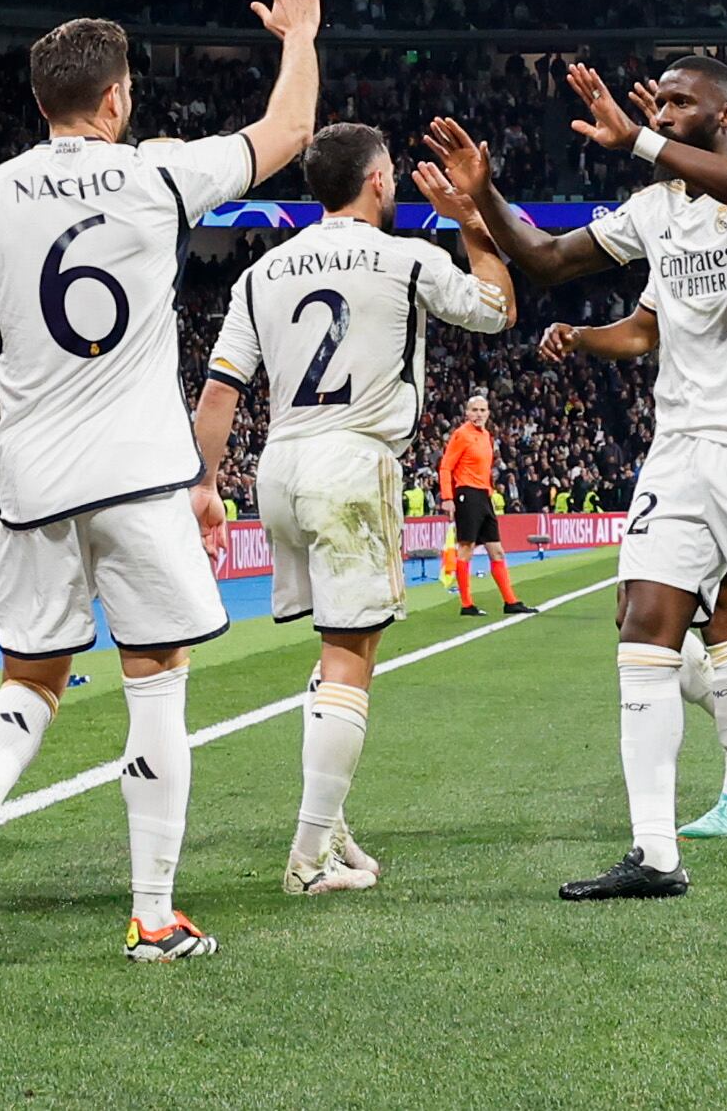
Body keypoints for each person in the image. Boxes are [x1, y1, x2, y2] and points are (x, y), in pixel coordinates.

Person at [0, 0, 324, 964]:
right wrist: (300, 38)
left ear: (40, 101)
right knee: (157, 679)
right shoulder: (160, 175)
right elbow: (289, 131)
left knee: (31, 681)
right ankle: (152, 915)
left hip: (34, 479)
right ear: (116, 98)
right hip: (140, 474)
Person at [426, 54, 727, 896]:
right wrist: (485, 198)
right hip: (679, 449)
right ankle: (654, 853)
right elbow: (548, 260)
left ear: (725, 116)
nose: (663, 109)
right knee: (643, 629)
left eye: (682, 101)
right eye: (660, 102)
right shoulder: (655, 210)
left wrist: (639, 141)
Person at [191, 121, 515, 897]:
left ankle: (330, 828)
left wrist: (204, 485)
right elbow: (497, 308)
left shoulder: (261, 272)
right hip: (351, 464)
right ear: (376, 181)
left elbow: (220, 388)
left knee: (334, 652)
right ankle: (307, 859)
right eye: (392, 174)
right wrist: (472, 223)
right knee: (350, 659)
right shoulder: (406, 258)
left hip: (279, 465)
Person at [438, 393, 527, 617]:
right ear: (467, 413)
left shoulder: (486, 436)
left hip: (483, 496)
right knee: (466, 548)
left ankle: (511, 602)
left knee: (497, 550)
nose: (478, 414)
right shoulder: (461, 435)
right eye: (474, 410)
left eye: (482, 410)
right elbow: (446, 466)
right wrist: (447, 498)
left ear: (488, 413)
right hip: (467, 494)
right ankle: (467, 604)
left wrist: (489, 491)